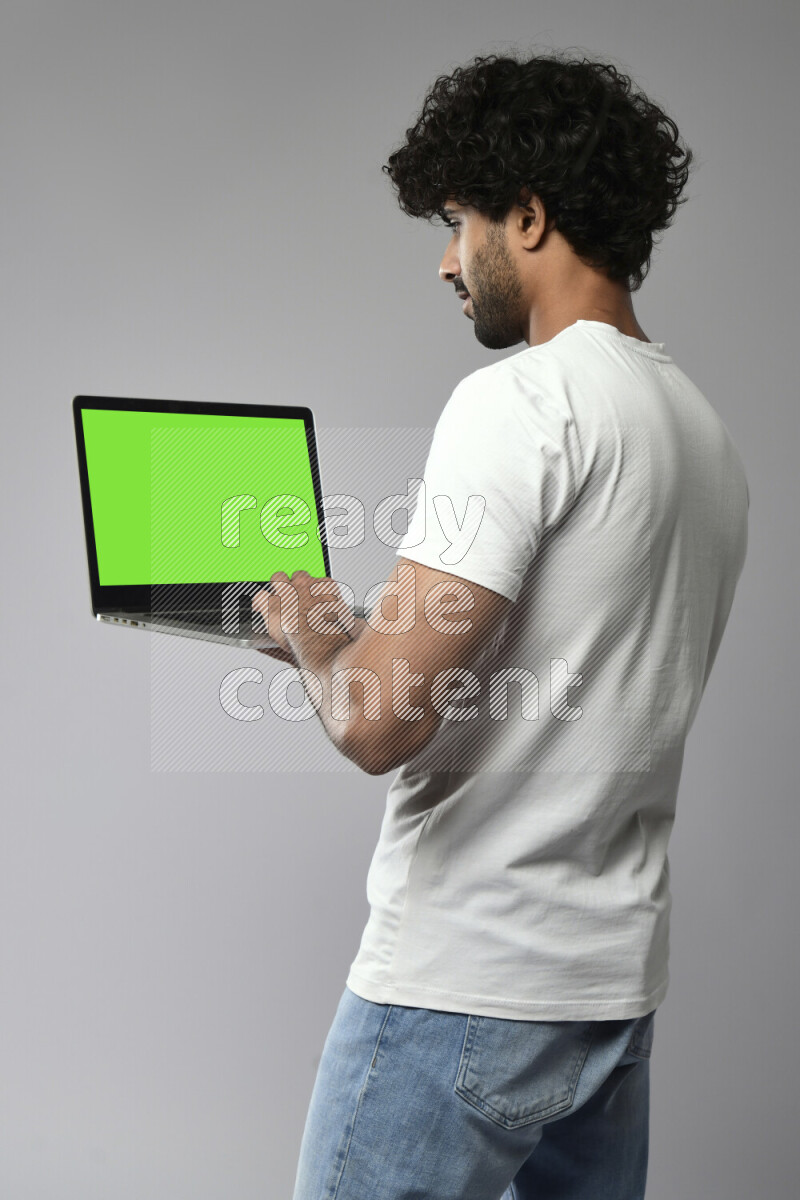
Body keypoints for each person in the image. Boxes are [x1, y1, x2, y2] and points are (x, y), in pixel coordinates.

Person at [253, 48, 749, 1200]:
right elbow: (563, 668)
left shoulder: (520, 402)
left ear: (524, 217)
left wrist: (321, 641)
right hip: (606, 1000)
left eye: (455, 219)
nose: (444, 260)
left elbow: (377, 721)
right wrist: (380, 636)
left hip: (459, 991)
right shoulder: (700, 437)